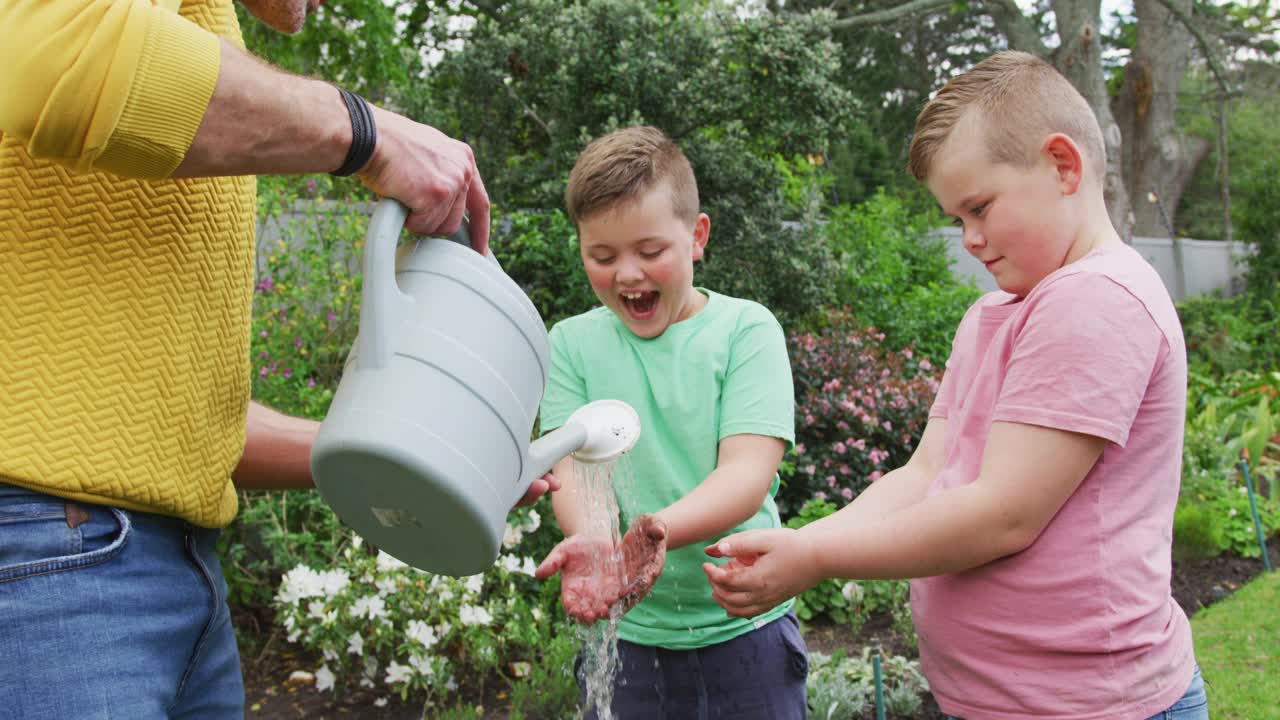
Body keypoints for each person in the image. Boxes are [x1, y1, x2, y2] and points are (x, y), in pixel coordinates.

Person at [0, 2, 553, 718]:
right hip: (51, 566)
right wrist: (365, 132)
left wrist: (415, 454)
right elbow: (63, 52)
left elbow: (166, 420)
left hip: (162, 578)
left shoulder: (201, 36)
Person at [703, 51, 1205, 720]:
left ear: (1063, 166)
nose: (968, 238)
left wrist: (818, 555)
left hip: (1094, 706)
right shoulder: (996, 314)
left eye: (979, 207)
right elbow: (927, 471)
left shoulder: (1098, 300)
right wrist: (804, 544)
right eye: (955, 216)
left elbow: (1005, 514)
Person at [533, 126, 808, 719]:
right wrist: (596, 544)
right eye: (602, 257)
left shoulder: (746, 331)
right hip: (630, 639)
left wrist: (650, 535)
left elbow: (745, 477)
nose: (628, 274)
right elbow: (575, 477)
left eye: (650, 251)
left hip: (745, 626)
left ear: (697, 237)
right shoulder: (570, 346)